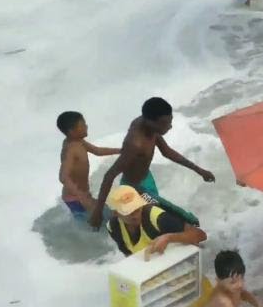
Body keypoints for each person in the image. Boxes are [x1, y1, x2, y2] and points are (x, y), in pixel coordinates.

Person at [88, 97, 216, 229]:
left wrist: (199, 170)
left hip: (147, 179)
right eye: (165, 123)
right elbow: (110, 175)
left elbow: (167, 152)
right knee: (179, 216)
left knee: (155, 218)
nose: (170, 126)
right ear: (150, 122)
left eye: (170, 121)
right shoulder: (135, 144)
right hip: (136, 189)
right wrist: (97, 212)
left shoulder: (150, 126)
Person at [104, 185, 207, 258]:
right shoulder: (114, 227)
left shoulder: (157, 217)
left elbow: (200, 235)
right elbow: (130, 256)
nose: (135, 216)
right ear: (116, 213)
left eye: (137, 209)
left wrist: (169, 238)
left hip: (183, 261)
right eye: (129, 212)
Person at [57, 111, 120, 221]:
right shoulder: (71, 150)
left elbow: (97, 151)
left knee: (109, 216)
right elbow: (63, 177)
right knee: (97, 224)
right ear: (72, 131)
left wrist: (121, 151)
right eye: (82, 125)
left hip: (83, 195)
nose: (86, 126)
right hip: (76, 199)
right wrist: (81, 197)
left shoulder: (79, 142)